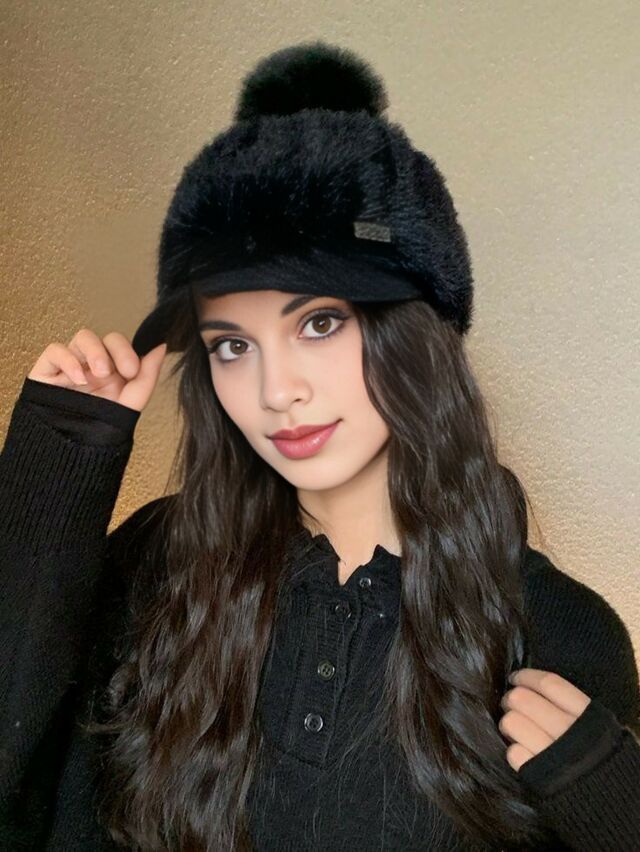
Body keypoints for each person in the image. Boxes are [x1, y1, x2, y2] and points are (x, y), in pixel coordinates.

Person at [1, 40, 639, 852]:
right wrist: (59, 465)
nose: (276, 390)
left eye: (320, 323)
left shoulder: (559, 633)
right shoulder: (158, 567)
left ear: (417, 335)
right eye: (233, 344)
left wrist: (619, 810)